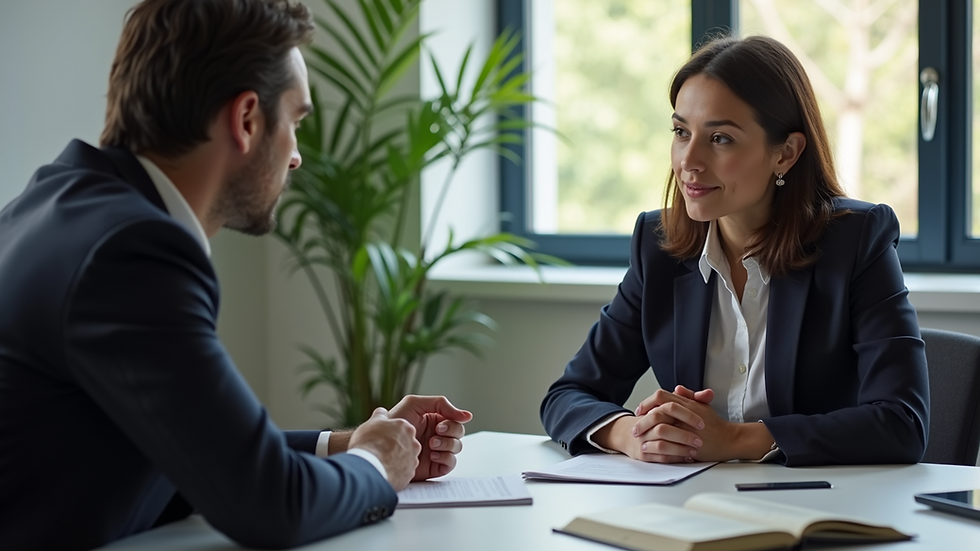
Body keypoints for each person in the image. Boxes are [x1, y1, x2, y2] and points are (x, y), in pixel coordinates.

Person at [0, 1, 472, 549]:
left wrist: (353, 445)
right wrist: (377, 463)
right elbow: (270, 504)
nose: (296, 156)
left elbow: (197, 450)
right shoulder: (132, 252)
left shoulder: (55, 206)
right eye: (295, 121)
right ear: (247, 120)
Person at [540, 35, 929, 467]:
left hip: (818, 500)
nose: (689, 160)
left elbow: (902, 423)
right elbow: (568, 395)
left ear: (786, 153)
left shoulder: (855, 241)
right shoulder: (657, 245)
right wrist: (634, 435)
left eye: (720, 138)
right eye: (681, 132)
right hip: (690, 501)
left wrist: (734, 440)